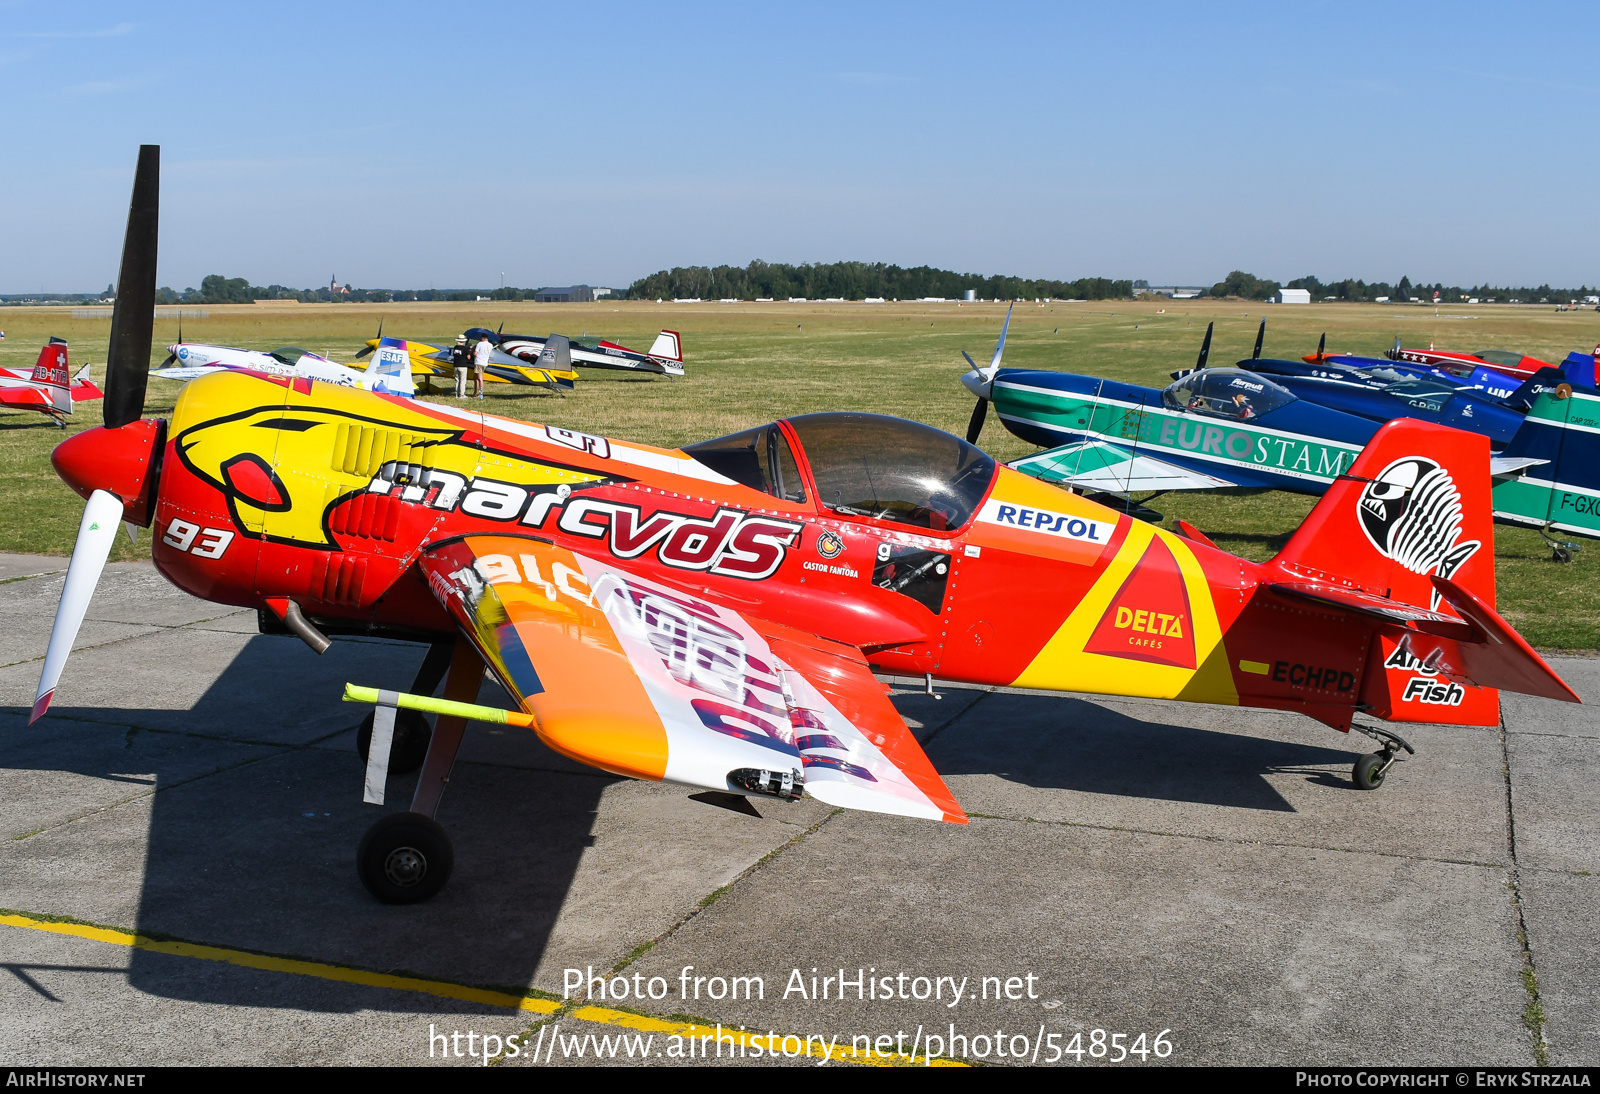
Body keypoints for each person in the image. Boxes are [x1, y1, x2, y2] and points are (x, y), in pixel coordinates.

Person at [473, 334, 492, 399]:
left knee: (479, 378)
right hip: (484, 363)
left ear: (483, 338)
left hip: (479, 362)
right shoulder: (490, 345)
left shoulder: (480, 344)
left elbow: (475, 353)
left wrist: (472, 352)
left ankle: (481, 394)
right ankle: (475, 393)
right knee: (475, 378)